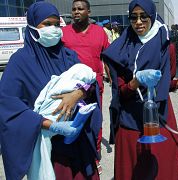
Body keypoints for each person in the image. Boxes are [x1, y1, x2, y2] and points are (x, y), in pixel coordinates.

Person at [101, 0, 178, 179]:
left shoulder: (165, 46)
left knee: (163, 169)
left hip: (159, 116)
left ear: (152, 16)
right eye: (133, 17)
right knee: (133, 171)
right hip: (131, 119)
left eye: (143, 16)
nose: (138, 22)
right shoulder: (120, 49)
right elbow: (119, 92)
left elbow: (167, 84)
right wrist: (136, 82)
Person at [0, 2, 102, 179]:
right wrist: (50, 124)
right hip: (50, 149)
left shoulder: (68, 55)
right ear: (32, 26)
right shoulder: (20, 62)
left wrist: (78, 94)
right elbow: (8, 105)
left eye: (56, 24)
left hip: (79, 142)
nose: (53, 29)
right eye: (47, 24)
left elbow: (91, 85)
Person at [61, 0, 109, 173]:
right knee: (71, 121)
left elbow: (108, 57)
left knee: (94, 122)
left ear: (89, 12)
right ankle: (72, 157)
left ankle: (94, 157)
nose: (76, 12)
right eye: (73, 9)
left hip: (94, 87)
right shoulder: (63, 33)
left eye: (80, 9)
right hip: (70, 88)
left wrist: (112, 78)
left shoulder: (100, 32)